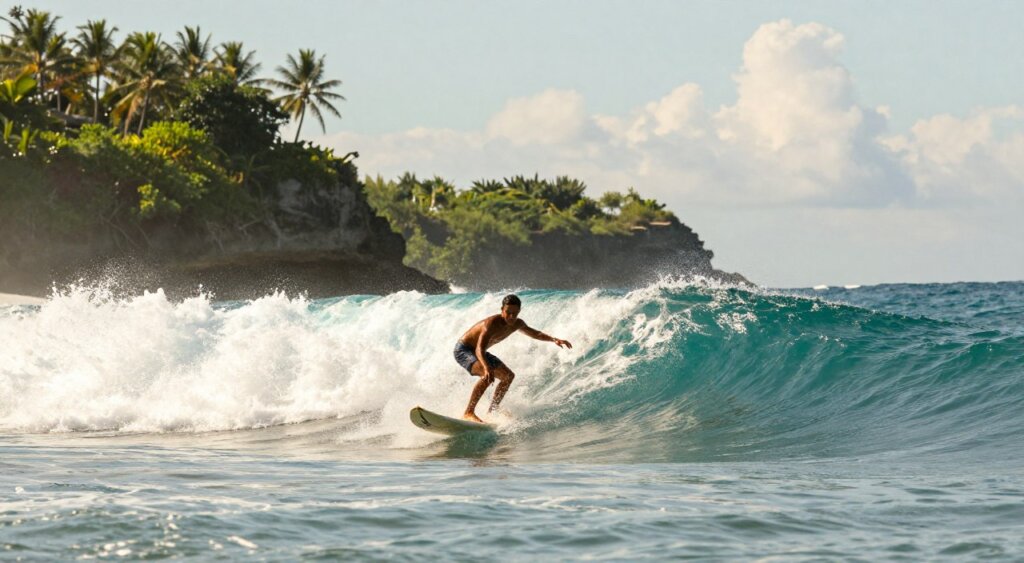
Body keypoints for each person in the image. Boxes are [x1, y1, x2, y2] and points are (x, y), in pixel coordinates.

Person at [453, 294, 572, 422]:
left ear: (519, 311)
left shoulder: (517, 323)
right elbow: (479, 349)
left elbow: (535, 333)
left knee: (508, 376)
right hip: (464, 350)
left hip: (480, 351)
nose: (511, 317)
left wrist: (554, 340)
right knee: (488, 375)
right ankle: (469, 412)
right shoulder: (491, 324)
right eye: (508, 312)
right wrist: (486, 367)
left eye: (515, 313)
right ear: (502, 310)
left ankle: (493, 410)